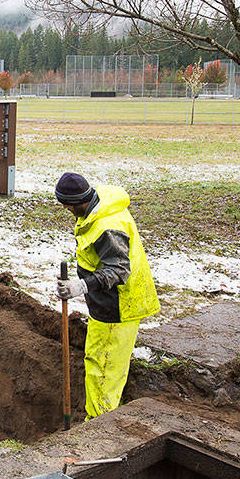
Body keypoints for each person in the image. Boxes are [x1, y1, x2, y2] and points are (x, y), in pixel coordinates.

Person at [54, 172, 159, 419]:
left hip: (117, 307)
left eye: (67, 204)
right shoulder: (97, 209)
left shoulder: (107, 226)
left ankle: (98, 427)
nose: (66, 208)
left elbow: (118, 270)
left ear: (80, 200)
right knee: (99, 361)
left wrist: (81, 286)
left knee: (103, 370)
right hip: (106, 306)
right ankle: (103, 417)